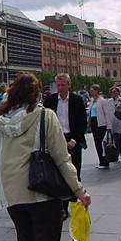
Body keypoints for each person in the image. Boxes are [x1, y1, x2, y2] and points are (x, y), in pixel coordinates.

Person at [0, 73, 91, 241]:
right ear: (37, 94)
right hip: (41, 192)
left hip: (12, 195)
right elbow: (62, 158)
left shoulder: (2, 121)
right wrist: (79, 191)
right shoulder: (46, 116)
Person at [43, 73, 86, 220]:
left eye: (63, 85)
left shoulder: (77, 100)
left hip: (72, 139)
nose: (60, 88)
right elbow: (45, 122)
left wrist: (74, 140)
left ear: (69, 85)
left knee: (73, 172)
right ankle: (61, 207)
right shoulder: (50, 101)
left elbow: (82, 122)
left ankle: (71, 203)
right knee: (57, 174)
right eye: (58, 85)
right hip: (56, 140)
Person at [88, 85, 112, 169]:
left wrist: (109, 126)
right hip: (94, 122)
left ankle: (105, 161)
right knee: (97, 143)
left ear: (97, 91)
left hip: (101, 124)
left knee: (101, 143)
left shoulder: (102, 101)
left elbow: (107, 113)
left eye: (92, 90)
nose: (91, 92)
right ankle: (101, 161)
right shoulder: (92, 100)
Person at [109, 87, 121, 158]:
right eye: (112, 92)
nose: (113, 93)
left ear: (118, 92)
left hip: (120, 122)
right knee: (115, 140)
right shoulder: (109, 101)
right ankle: (117, 154)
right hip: (112, 122)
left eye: (114, 92)